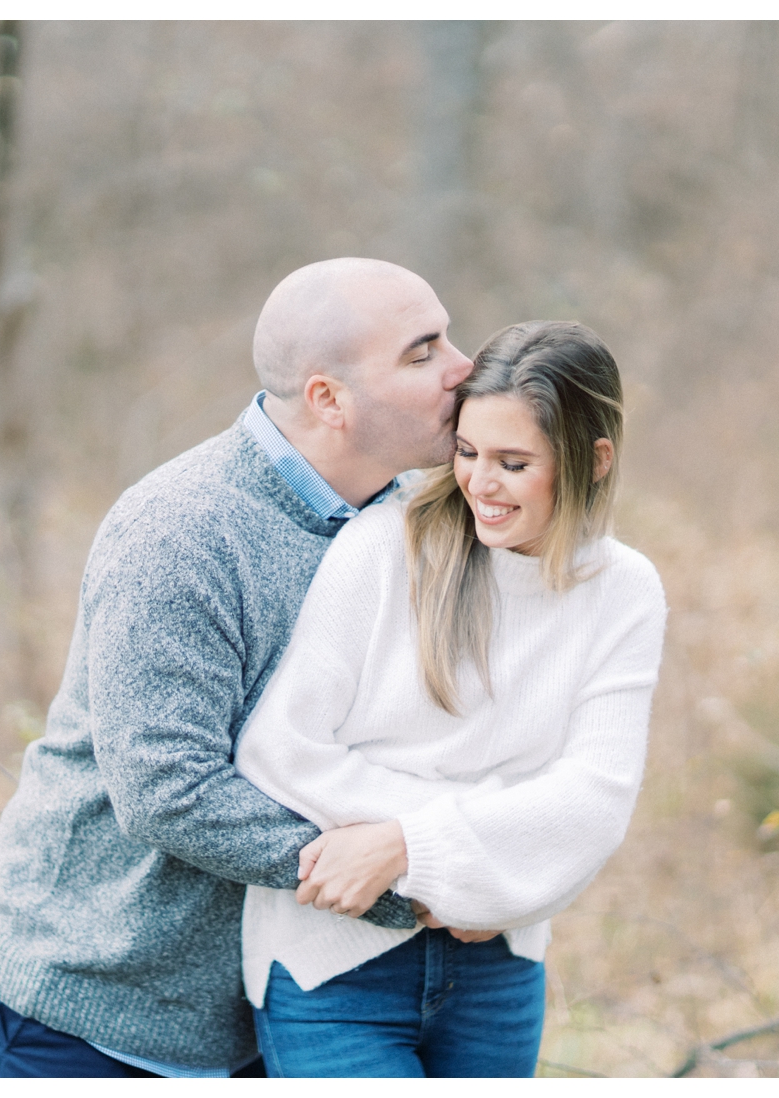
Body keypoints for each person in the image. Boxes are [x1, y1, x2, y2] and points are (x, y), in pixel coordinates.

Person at [0, 258, 475, 1077]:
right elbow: (166, 787)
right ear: (327, 400)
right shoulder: (183, 532)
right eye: (422, 352)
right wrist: (410, 884)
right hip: (92, 1012)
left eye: (448, 336)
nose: (463, 368)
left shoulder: (409, 519)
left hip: (275, 1010)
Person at [233, 320, 668, 1077]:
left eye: (514, 462)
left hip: (496, 964)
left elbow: (592, 800)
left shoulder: (623, 590)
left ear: (593, 461)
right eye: (467, 453)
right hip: (335, 964)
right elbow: (281, 749)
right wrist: (485, 839)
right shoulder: (387, 544)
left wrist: (410, 846)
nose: (480, 483)